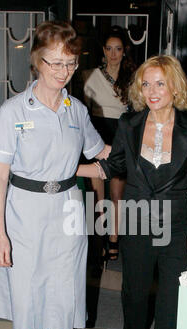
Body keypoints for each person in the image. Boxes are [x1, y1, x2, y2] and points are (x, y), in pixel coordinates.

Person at [0, 20, 110, 329]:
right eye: (55, 63)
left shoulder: (76, 110)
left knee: (65, 291)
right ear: (38, 60)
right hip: (23, 216)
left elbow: (100, 155)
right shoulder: (13, 110)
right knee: (28, 296)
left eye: (71, 64)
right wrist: (0, 234)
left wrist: (153, 141)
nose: (63, 72)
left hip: (68, 213)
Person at [77, 55, 187, 329]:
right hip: (137, 223)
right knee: (135, 295)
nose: (152, 91)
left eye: (160, 83)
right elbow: (113, 165)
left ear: (175, 87)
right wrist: (67, 167)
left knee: (169, 307)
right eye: (146, 84)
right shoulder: (129, 124)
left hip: (178, 227)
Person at [82, 26, 136, 263]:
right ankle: (99, 241)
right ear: (103, 51)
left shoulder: (133, 77)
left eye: (118, 49)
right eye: (109, 49)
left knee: (117, 196)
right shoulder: (88, 75)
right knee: (98, 197)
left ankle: (114, 239)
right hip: (96, 135)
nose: (113, 53)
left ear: (124, 51)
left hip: (121, 137)